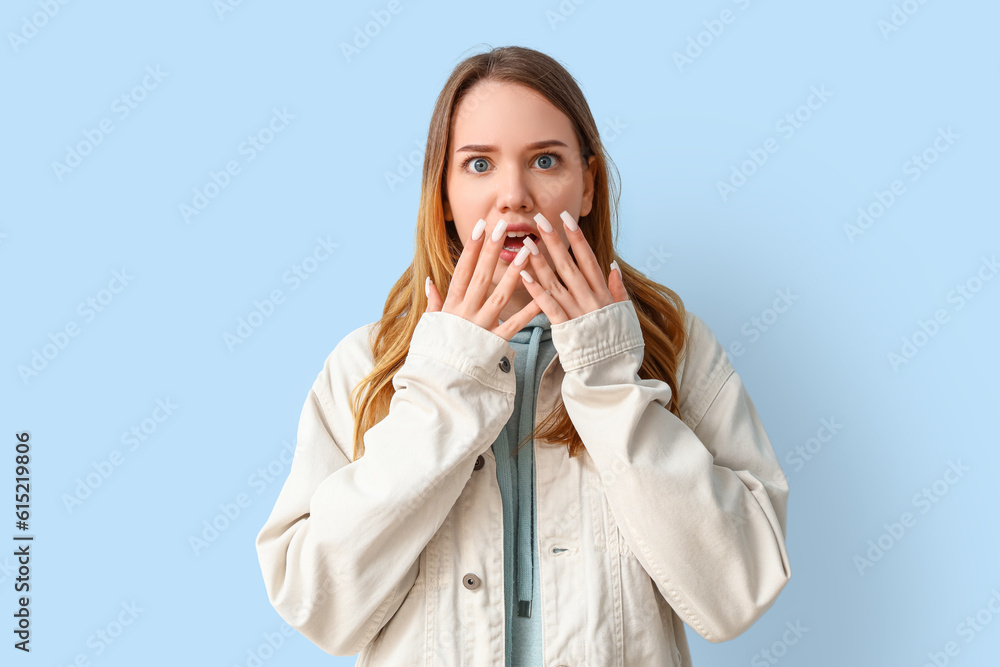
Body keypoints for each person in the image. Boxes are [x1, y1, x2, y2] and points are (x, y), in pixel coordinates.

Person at [255, 45, 791, 666]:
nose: (514, 194)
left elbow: (736, 593)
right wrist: (445, 385)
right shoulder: (366, 365)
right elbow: (315, 605)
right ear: (443, 195)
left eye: (544, 160)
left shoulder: (674, 345)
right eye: (479, 164)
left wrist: (609, 378)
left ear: (587, 186)